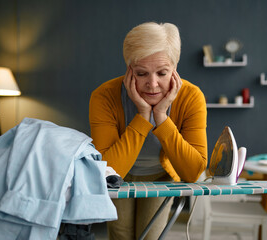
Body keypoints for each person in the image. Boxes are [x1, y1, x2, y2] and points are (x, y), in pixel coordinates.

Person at [89, 22, 208, 240]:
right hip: (118, 177)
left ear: (175, 68)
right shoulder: (103, 96)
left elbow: (193, 172)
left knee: (151, 237)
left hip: (161, 176)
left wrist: (161, 117)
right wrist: (143, 115)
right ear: (129, 69)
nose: (152, 84)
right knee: (121, 235)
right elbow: (107, 169)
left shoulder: (191, 97)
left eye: (162, 73)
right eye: (142, 73)